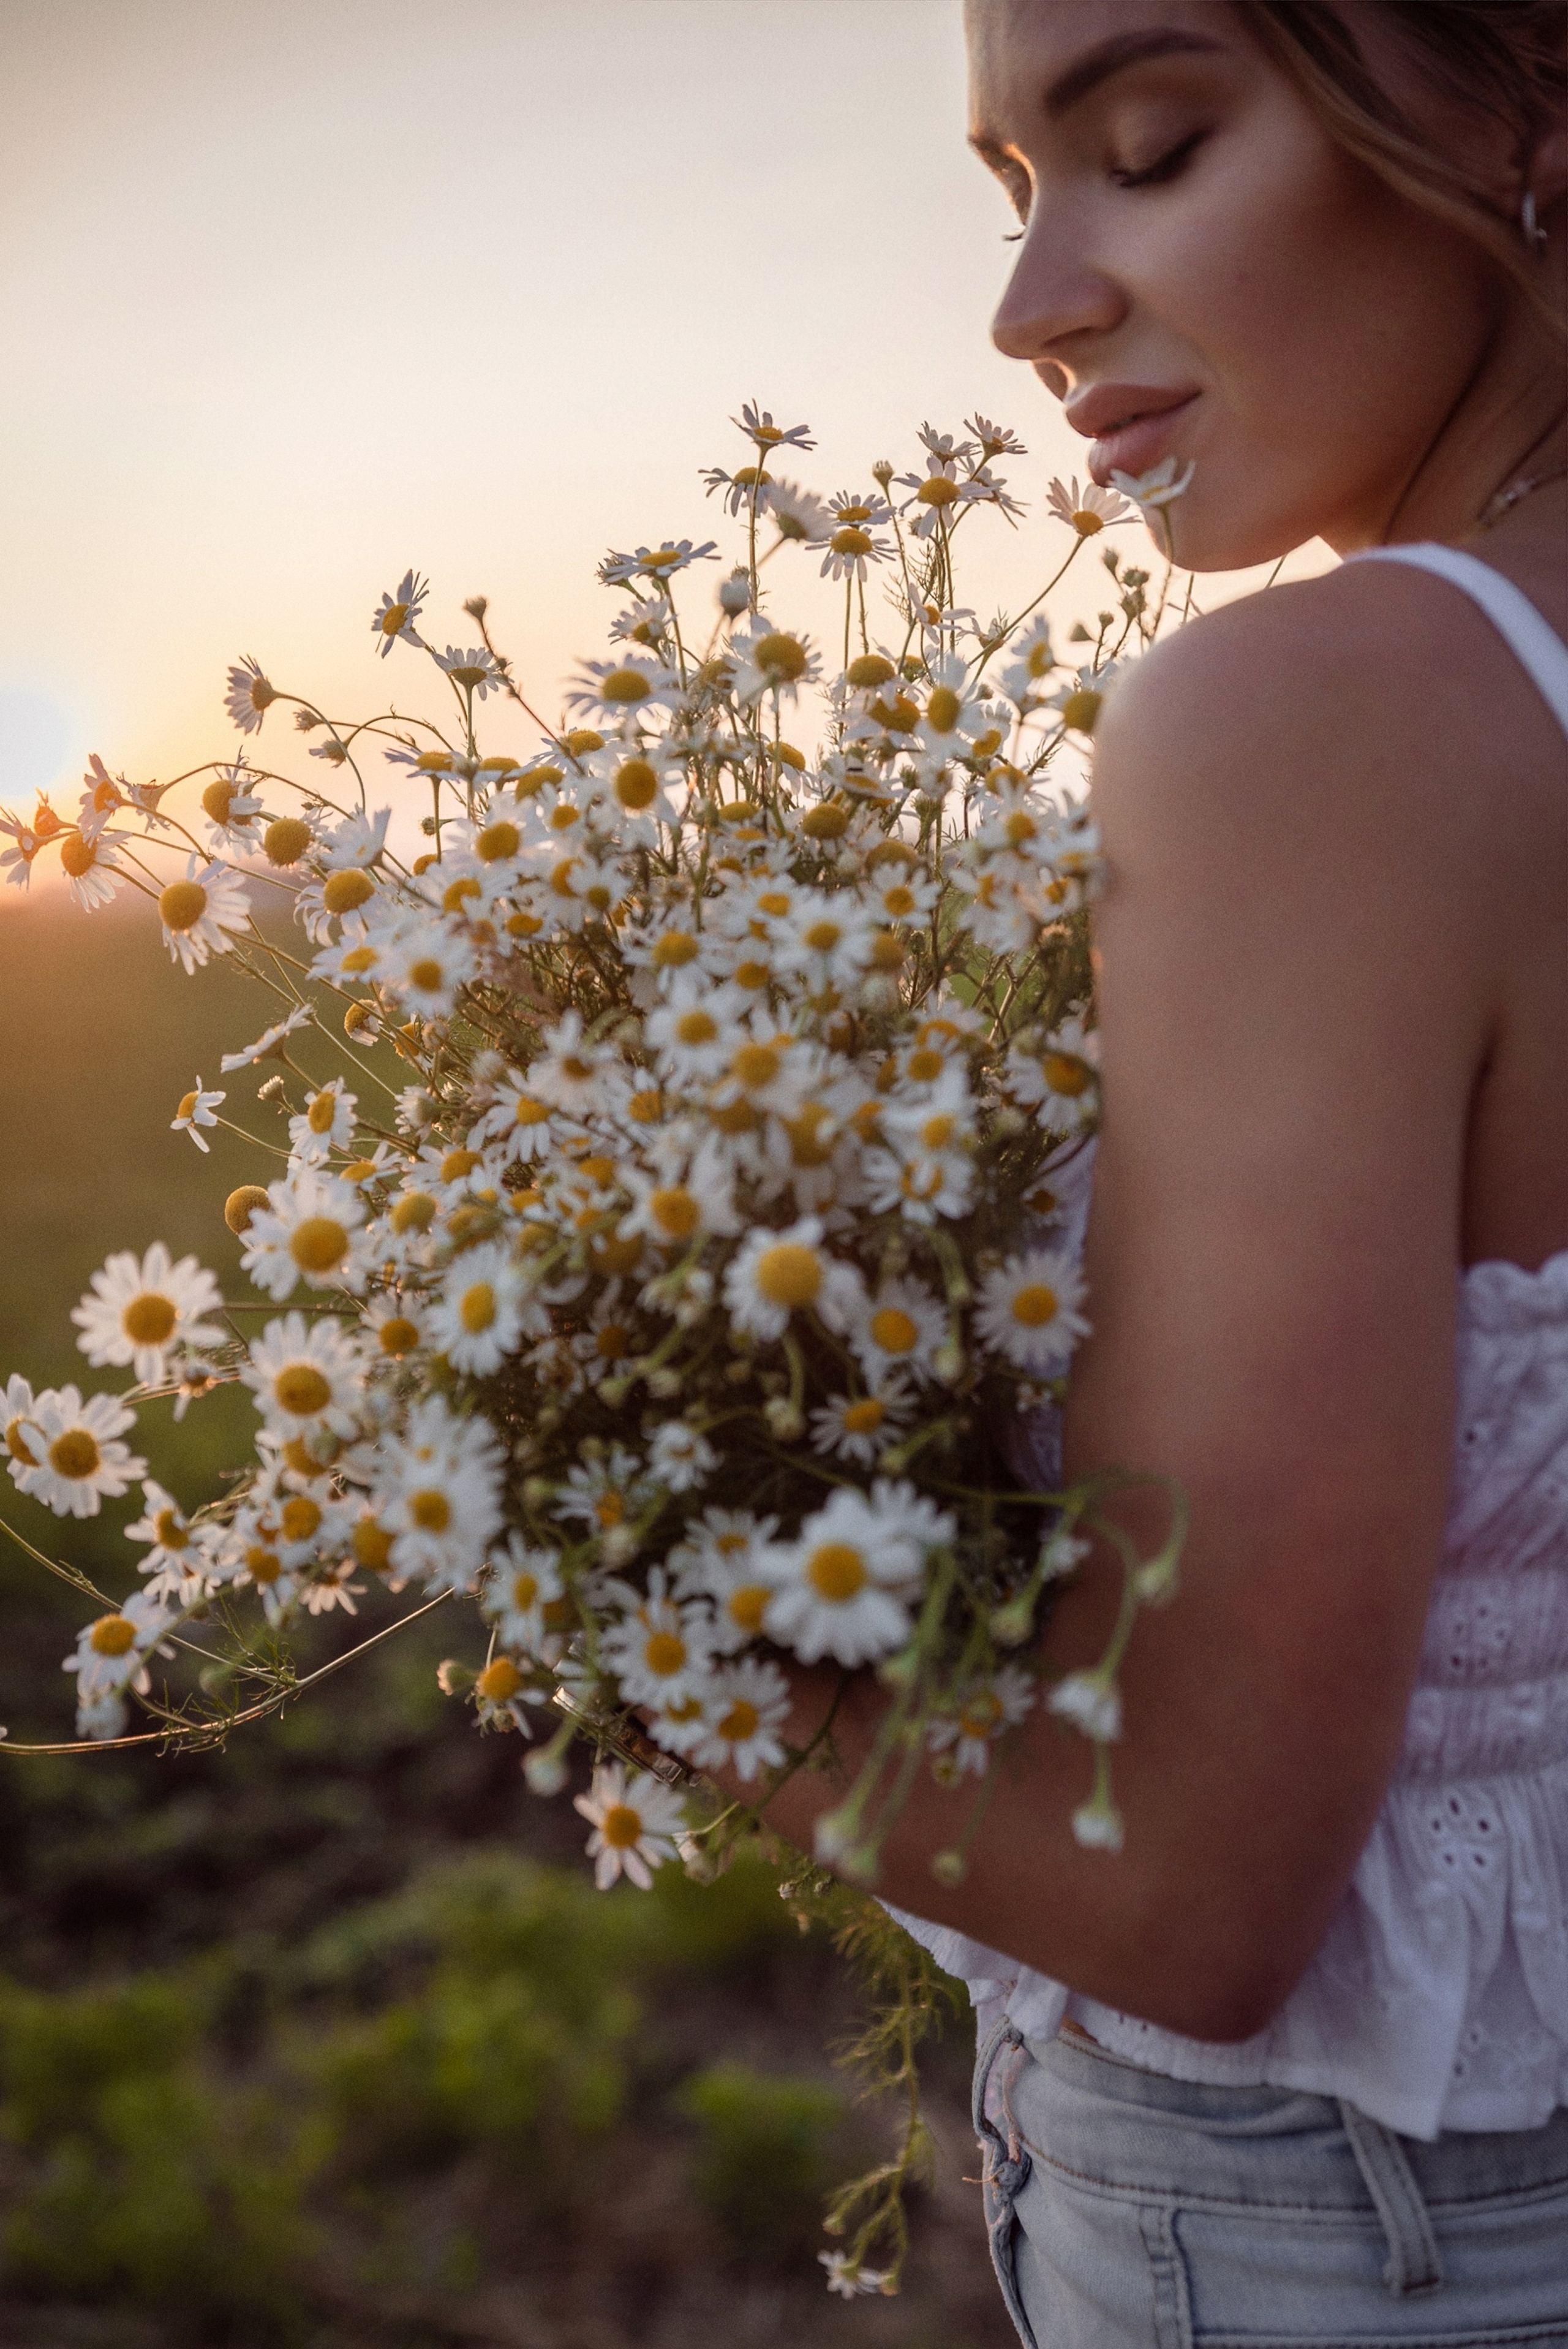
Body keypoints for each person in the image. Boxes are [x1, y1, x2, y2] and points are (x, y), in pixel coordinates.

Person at [753, 2, 1568, 2337]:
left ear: (1524, 89)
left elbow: (1201, 1894)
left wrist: (618, 1623)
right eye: (1020, 195)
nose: (1030, 313)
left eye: (1152, 143)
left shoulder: (1315, 722)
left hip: (1362, 2233)